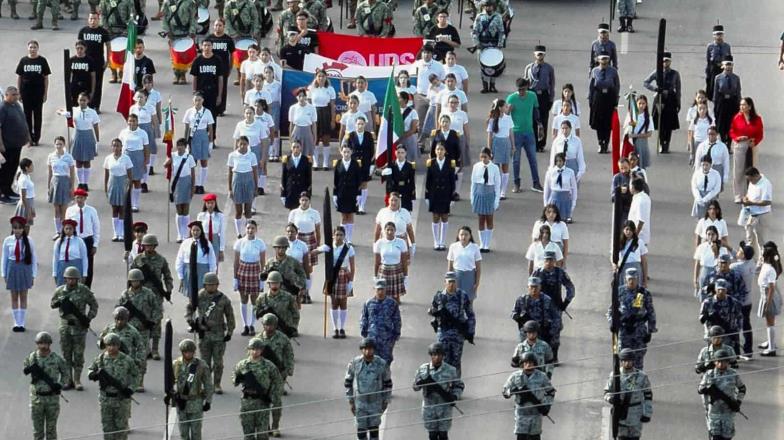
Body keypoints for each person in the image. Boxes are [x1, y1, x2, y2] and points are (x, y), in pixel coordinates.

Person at [185, 272, 235, 393]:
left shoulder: (223, 299)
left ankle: (217, 384)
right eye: (209, 285)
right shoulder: (199, 296)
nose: (211, 287)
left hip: (218, 335)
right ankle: (205, 384)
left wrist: (230, 331)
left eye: (213, 285)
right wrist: (190, 321)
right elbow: (190, 309)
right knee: (204, 362)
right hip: (204, 334)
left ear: (217, 285)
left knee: (218, 362)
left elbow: (230, 316)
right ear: (205, 285)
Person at [50, 266, 97, 389]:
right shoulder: (60, 291)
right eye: (69, 279)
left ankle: (77, 379)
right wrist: (58, 302)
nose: (71, 281)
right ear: (65, 279)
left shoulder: (84, 291)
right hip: (65, 325)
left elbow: (94, 305)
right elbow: (52, 304)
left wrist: (88, 318)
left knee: (78, 354)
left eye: (74, 279)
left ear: (78, 279)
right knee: (66, 354)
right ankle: (68, 379)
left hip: (79, 327)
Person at [129, 234, 174, 359]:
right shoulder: (138, 260)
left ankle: (154, 349)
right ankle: (144, 348)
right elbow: (131, 276)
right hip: (140, 294)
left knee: (156, 321)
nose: (149, 248)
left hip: (156, 295)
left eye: (151, 245)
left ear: (155, 246)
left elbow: (167, 276)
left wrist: (168, 289)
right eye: (146, 245)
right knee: (141, 320)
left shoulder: (161, 260)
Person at [88, 333, 139, 440]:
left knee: (121, 430)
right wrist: (94, 374)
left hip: (121, 400)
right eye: (108, 345)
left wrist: (131, 389)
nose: (111, 347)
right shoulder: (100, 359)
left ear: (118, 345)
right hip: (105, 399)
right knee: (107, 429)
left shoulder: (127, 360)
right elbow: (90, 370)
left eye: (114, 345)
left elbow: (136, 375)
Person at [232, 337, 283, 440]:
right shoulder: (242, 365)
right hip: (247, 403)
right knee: (248, 435)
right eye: (253, 349)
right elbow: (234, 377)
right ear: (249, 349)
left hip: (262, 403)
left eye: (258, 349)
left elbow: (277, 381)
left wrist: (273, 396)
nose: (255, 351)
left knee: (262, 435)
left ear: (262, 350)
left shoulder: (268, 365)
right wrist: (237, 379)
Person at [117, 269, 160, 388]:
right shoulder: (125, 295)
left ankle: (140, 381)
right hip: (128, 330)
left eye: (137, 281)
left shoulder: (148, 294)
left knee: (141, 355)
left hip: (143, 329)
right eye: (133, 281)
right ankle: (128, 379)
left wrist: (153, 321)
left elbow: (157, 309)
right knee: (127, 354)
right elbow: (117, 310)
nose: (135, 283)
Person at [607, 268, 657, 369]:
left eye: (634, 279)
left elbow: (651, 312)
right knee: (623, 359)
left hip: (638, 331)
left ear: (637, 279)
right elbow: (611, 311)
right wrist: (612, 323)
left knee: (638, 361)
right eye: (629, 279)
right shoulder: (619, 292)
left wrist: (650, 330)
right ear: (625, 279)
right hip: (624, 331)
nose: (632, 281)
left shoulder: (643, 293)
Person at [412, 342, 464, 440]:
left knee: (443, 435)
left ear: (443, 356)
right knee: (432, 435)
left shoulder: (450, 370)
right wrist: (420, 383)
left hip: (444, 407)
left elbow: (459, 385)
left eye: (440, 355)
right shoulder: (423, 369)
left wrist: (454, 396)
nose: (437, 357)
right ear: (431, 355)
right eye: (434, 355)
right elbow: (415, 387)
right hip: (429, 407)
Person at [428, 271, 475, 375]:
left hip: (458, 334)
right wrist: (436, 313)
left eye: (454, 282)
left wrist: (470, 331)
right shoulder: (439, 297)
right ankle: (443, 383)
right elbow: (432, 310)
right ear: (445, 282)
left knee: (456, 362)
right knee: (442, 361)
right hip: (443, 334)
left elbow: (470, 314)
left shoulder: (462, 296)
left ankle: (455, 385)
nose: (451, 284)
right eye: (449, 282)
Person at [23, 331, 68, 440]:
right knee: (37, 432)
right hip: (36, 399)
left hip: (52, 399)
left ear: (49, 344)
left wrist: (60, 385)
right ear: (37, 344)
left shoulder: (57, 359)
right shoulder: (31, 357)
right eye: (40, 343)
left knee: (51, 431)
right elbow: (25, 369)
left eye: (45, 343)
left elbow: (65, 374)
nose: (43, 346)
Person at [312, 226, 355, 337]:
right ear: (333, 235)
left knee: (343, 302)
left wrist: (351, 282)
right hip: (332, 275)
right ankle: (335, 328)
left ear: (344, 236)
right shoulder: (329, 246)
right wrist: (321, 249)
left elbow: (353, 266)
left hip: (344, 274)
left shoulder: (348, 248)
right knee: (334, 302)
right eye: (337, 234)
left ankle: (342, 328)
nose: (339, 237)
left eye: (341, 235)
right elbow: (312, 253)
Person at [345, 337, 392, 440]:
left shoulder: (381, 364)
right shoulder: (354, 363)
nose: (367, 351)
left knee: (374, 432)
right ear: (361, 349)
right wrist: (350, 401)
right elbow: (348, 382)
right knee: (361, 432)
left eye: (370, 348)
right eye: (365, 348)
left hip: (375, 402)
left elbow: (388, 383)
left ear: (374, 349)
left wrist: (386, 401)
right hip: (360, 403)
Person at [502, 351, 556, 440]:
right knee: (521, 437)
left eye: (531, 362)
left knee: (535, 437)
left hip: (536, 412)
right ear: (522, 364)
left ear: (534, 364)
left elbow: (551, 392)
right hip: (521, 413)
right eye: (526, 362)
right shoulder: (515, 376)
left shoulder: (542, 376)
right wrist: (512, 391)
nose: (528, 364)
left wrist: (546, 406)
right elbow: (505, 390)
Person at [532, 251, 574, 363]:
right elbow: (531, 289)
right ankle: (539, 358)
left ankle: (554, 357)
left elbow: (571, 288)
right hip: (539, 308)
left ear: (555, 261)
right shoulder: (537, 273)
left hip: (555, 307)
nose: (548, 262)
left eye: (551, 260)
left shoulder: (560, 273)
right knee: (539, 331)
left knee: (555, 332)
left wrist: (565, 303)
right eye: (546, 260)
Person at [603, 348, 653, 440]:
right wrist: (611, 398)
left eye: (629, 361)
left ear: (633, 361)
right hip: (621, 415)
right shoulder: (615, 375)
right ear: (621, 361)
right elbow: (606, 393)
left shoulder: (641, 376)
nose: (627, 363)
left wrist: (647, 413)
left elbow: (648, 396)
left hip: (636, 415)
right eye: (625, 361)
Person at [697, 348, 746, 439]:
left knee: (727, 437)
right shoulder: (709, 374)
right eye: (718, 361)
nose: (720, 364)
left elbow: (742, 388)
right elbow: (700, 389)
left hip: (728, 411)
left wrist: (738, 402)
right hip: (714, 412)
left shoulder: (733, 374)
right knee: (715, 436)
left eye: (723, 361)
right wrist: (708, 389)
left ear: (728, 362)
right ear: (714, 362)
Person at [258, 313, 294, 435]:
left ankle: (275, 426)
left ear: (275, 325)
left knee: (276, 401)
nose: (268, 327)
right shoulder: (257, 340)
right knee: (263, 402)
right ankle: (265, 426)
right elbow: (249, 357)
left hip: (278, 375)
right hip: (262, 375)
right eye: (266, 325)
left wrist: (289, 370)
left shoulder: (282, 338)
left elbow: (289, 354)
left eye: (271, 325)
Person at [171, 338, 213, 440]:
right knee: (183, 433)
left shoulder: (201, 365)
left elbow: (208, 384)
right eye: (185, 352)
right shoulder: (176, 364)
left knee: (196, 433)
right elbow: (170, 382)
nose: (188, 354)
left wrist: (208, 401)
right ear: (182, 352)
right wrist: (170, 395)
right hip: (181, 403)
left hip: (196, 402)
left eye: (190, 352)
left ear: (194, 352)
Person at [506, 78, 542, 193]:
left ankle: (536, 183)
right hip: (516, 133)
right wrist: (508, 110)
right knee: (516, 160)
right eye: (519, 90)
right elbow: (505, 115)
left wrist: (539, 124)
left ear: (527, 87)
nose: (521, 92)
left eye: (523, 89)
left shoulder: (532, 96)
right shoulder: (511, 98)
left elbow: (536, 110)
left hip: (529, 132)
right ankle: (516, 183)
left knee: (533, 158)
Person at [3, 216, 37, 332]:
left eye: (20, 228)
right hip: (12, 268)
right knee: (14, 296)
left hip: (24, 268)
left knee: (23, 295)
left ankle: (21, 322)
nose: (17, 230)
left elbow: (33, 258)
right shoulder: (8, 241)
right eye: (15, 228)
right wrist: (4, 273)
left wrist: (33, 274)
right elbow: (5, 258)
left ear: (23, 229)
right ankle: (16, 322)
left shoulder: (29, 241)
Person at [232, 220, 266, 335]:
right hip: (243, 270)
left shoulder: (260, 243)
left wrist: (262, 279)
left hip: (255, 271)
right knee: (244, 299)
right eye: (248, 228)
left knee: (254, 300)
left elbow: (262, 261)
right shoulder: (240, 242)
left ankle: (252, 324)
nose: (250, 230)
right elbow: (236, 261)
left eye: (252, 228)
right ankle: (245, 324)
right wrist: (235, 278)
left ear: (256, 230)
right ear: (245, 229)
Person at [644, 52, 681, 153]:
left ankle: (667, 143)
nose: (665, 63)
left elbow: (678, 89)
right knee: (660, 122)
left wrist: (678, 102)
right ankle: (661, 143)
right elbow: (646, 82)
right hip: (660, 98)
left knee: (669, 123)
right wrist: (655, 89)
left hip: (670, 99)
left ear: (670, 61)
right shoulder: (657, 72)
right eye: (664, 61)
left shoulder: (675, 74)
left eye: (667, 61)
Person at [15, 41, 50, 146]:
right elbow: (19, 77)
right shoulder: (24, 60)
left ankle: (37, 138)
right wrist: (19, 93)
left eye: (34, 47)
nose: (33, 49)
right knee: (27, 116)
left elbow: (46, 78)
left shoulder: (42, 61)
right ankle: (29, 138)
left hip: (38, 92)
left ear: (37, 48)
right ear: (28, 48)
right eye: (31, 47)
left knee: (38, 116)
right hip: (26, 93)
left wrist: (45, 93)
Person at [0, 87, 31, 203]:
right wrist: (1, 144)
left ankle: (8, 190)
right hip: (7, 145)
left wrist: (28, 136)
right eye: (13, 95)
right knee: (5, 170)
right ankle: (2, 193)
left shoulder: (17, 105)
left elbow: (23, 120)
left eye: (17, 94)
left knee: (13, 167)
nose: (16, 96)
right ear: (6, 95)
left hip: (17, 144)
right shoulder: (3, 108)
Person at [511, 276, 560, 348]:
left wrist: (551, 332)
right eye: (531, 287)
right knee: (523, 354)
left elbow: (556, 317)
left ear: (540, 287)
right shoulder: (522, 299)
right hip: (526, 333)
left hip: (542, 332)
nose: (534, 289)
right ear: (528, 287)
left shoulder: (547, 300)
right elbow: (513, 313)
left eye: (536, 287)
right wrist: (519, 318)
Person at [425, 143, 457, 250]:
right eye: (438, 149)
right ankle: (436, 241)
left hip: (445, 194)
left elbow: (452, 181)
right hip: (434, 194)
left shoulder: (450, 163)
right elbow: (428, 181)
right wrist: (427, 196)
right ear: (435, 151)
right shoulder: (431, 163)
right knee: (435, 217)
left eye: (442, 149)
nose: (439, 151)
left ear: (445, 151)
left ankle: (442, 242)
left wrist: (452, 197)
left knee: (444, 217)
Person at [182, 93, 215, 195]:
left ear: (203, 100)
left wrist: (210, 143)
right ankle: (193, 184)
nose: (197, 102)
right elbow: (187, 128)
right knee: (192, 162)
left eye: (199, 100)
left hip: (203, 137)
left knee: (204, 162)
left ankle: (201, 184)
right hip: (192, 137)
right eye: (196, 100)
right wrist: (185, 142)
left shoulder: (207, 112)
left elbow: (210, 128)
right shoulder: (189, 112)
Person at [524, 45, 555, 152]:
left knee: (543, 120)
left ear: (544, 55)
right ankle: (533, 143)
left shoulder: (549, 68)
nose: (539, 55)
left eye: (541, 53)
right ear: (534, 54)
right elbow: (525, 83)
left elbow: (552, 84)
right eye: (538, 53)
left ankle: (541, 144)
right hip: (532, 95)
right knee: (532, 120)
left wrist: (551, 99)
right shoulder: (529, 68)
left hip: (543, 96)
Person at [589, 49, 620, 154]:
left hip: (609, 97)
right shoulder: (595, 71)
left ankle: (606, 143)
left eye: (606, 58)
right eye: (602, 58)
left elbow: (617, 86)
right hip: (598, 97)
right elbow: (591, 87)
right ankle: (600, 142)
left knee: (608, 122)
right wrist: (590, 100)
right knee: (598, 122)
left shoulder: (613, 71)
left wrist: (616, 100)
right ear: (598, 59)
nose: (604, 60)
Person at [730, 97, 764, 195]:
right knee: (739, 170)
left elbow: (760, 134)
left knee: (751, 169)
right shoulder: (737, 118)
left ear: (749, 106)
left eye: (744, 105)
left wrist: (755, 141)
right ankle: (739, 194)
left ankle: (752, 192)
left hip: (752, 146)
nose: (742, 107)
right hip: (740, 145)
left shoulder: (757, 119)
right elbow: (732, 131)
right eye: (741, 105)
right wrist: (738, 138)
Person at [190, 40, 225, 135]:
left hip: (213, 93)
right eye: (204, 45)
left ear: (212, 47)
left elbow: (220, 79)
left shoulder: (217, 60)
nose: (206, 47)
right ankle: (201, 136)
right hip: (201, 93)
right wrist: (194, 92)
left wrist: (219, 95)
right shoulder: (197, 60)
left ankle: (212, 138)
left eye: (209, 45)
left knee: (212, 116)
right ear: (201, 47)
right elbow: (195, 77)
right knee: (200, 115)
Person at [165, 138, 197, 241]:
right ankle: (180, 234)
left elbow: (192, 174)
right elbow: (165, 165)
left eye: (182, 145)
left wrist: (193, 187)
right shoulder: (173, 156)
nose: (179, 147)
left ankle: (186, 233)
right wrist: (168, 161)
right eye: (178, 145)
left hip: (186, 182)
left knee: (186, 208)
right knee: (179, 208)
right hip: (177, 183)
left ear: (185, 146)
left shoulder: (189, 157)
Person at [700, 278, 743, 355]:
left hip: (728, 333)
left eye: (723, 289)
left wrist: (737, 330)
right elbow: (702, 318)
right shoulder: (707, 302)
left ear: (726, 290)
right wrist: (707, 329)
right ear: (715, 289)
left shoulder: (733, 302)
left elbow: (739, 317)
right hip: (712, 332)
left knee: (727, 354)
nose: (721, 292)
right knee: (712, 354)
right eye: (719, 289)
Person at [176, 221, 218, 299]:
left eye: (197, 230)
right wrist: (181, 276)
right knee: (191, 296)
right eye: (193, 230)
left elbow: (212, 261)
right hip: (189, 272)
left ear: (201, 231)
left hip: (202, 272)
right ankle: (192, 310)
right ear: (191, 231)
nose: (195, 232)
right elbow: (180, 260)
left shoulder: (207, 243)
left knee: (202, 296)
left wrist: (212, 275)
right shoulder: (186, 243)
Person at [414, 45, 445, 150]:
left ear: (432, 54)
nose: (426, 55)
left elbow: (443, 80)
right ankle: (420, 144)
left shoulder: (439, 66)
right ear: (421, 54)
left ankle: (434, 145)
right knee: (421, 121)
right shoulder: (416, 65)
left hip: (435, 98)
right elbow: (411, 78)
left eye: (428, 53)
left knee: (434, 121)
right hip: (420, 96)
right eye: (424, 52)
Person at [76, 14, 110, 110]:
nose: (93, 21)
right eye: (91, 18)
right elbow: (78, 46)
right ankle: (84, 104)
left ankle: (95, 106)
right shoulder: (83, 31)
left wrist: (108, 60)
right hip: (85, 62)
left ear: (98, 20)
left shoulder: (103, 32)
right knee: (86, 83)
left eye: (95, 19)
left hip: (98, 62)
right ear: (88, 19)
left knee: (98, 85)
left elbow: (108, 46)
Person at [471, 0, 505, 93]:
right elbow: (475, 31)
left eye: (490, 6)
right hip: (482, 44)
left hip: (494, 45)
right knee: (483, 66)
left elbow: (501, 31)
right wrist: (476, 43)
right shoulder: (479, 17)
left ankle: (493, 85)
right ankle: (485, 85)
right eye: (486, 6)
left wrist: (500, 44)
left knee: (494, 65)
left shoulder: (498, 17)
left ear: (493, 7)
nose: (488, 8)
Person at [118, 114, 150, 212]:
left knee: (136, 181)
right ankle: (127, 203)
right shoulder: (123, 132)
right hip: (127, 157)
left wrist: (146, 161)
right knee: (127, 182)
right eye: (130, 121)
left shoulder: (142, 133)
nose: (132, 123)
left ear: (137, 122)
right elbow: (119, 146)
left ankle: (135, 204)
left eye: (134, 121)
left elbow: (146, 148)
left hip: (138, 157)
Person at [730, 243, 756, 360]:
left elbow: (729, 265)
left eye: (740, 251)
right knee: (746, 325)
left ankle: (736, 352)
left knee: (735, 326)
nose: (738, 253)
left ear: (744, 256)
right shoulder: (751, 263)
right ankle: (748, 349)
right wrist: (731, 248)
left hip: (739, 300)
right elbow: (739, 256)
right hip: (749, 300)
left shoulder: (737, 267)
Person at [70, 93, 101, 191]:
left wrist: (97, 140)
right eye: (80, 100)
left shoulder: (92, 112)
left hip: (88, 135)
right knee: (78, 160)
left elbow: (95, 126)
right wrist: (65, 114)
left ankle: (86, 183)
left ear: (88, 101)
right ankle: (80, 182)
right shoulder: (74, 110)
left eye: (84, 100)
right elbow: (63, 113)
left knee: (87, 161)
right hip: (78, 135)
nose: (82, 102)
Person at [161, 0, 197, 83]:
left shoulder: (190, 2)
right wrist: (166, 30)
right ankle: (176, 74)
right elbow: (163, 17)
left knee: (184, 55)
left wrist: (192, 31)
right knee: (175, 55)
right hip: (172, 33)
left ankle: (183, 74)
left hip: (185, 32)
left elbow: (193, 17)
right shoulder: (167, 2)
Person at [46, 137, 75, 237]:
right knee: (56, 209)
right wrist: (48, 187)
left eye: (60, 144)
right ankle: (57, 231)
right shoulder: (51, 156)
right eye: (57, 144)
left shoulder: (68, 157)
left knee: (64, 209)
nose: (58, 146)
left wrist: (72, 187)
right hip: (55, 182)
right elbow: (50, 172)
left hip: (65, 182)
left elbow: (72, 172)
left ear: (64, 145)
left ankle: (64, 231)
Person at [740, 167, 772, 256]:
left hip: (762, 215)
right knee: (749, 239)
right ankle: (750, 259)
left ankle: (762, 261)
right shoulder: (752, 182)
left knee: (761, 241)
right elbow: (749, 194)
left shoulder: (766, 184)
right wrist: (745, 198)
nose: (750, 182)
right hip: (751, 214)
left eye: (750, 179)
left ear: (756, 176)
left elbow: (767, 201)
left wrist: (752, 203)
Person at [757, 243, 781, 357]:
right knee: (769, 322)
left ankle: (771, 348)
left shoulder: (770, 269)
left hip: (768, 297)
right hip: (765, 295)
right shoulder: (765, 265)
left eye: (763, 253)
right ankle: (770, 342)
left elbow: (771, 288)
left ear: (766, 256)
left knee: (770, 322)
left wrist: (768, 304)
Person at [486, 99, 514, 199]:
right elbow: (489, 135)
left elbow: (511, 133)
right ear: (500, 108)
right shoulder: (493, 119)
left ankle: (503, 191)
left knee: (505, 167)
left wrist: (513, 146)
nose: (507, 108)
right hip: (496, 143)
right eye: (505, 106)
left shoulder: (508, 118)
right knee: (496, 168)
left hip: (506, 143)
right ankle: (496, 189)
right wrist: (489, 149)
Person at [204, 19, 236, 102]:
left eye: (220, 25)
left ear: (224, 27)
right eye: (216, 25)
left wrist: (230, 68)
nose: (217, 27)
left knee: (222, 88)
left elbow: (232, 55)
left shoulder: (228, 39)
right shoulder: (209, 38)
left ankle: (221, 108)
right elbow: (205, 53)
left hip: (223, 67)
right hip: (211, 67)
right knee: (210, 87)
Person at [712, 56, 741, 145]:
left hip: (732, 102)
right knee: (721, 123)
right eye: (726, 65)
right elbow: (715, 93)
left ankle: (729, 142)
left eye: (730, 65)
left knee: (731, 124)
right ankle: (723, 140)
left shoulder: (736, 78)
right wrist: (715, 105)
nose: (728, 67)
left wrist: (739, 105)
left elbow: (738, 91)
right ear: (723, 66)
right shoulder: (718, 78)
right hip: (722, 102)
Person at [693, 226, 729, 297]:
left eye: (713, 234)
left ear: (716, 235)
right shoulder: (701, 247)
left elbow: (727, 264)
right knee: (704, 294)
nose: (710, 236)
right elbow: (697, 264)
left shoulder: (723, 249)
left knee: (716, 295)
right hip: (704, 272)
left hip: (718, 273)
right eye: (708, 234)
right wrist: (695, 279)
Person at [51, 220, 88, 286]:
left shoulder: (79, 241)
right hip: (62, 267)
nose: (68, 230)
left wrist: (84, 274)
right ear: (64, 229)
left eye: (70, 228)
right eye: (66, 228)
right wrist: (54, 273)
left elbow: (84, 258)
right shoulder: (59, 242)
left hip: (76, 267)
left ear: (74, 229)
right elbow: (55, 258)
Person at [543, 153, 577, 223]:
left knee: (563, 222)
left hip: (565, 200)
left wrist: (573, 202)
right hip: (554, 200)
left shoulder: (570, 172)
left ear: (564, 161)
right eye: (557, 161)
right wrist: (546, 204)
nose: (558, 163)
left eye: (560, 161)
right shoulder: (550, 172)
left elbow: (574, 188)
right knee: (553, 220)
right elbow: (547, 188)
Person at [550, 121, 585, 189]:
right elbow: (553, 157)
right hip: (560, 164)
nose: (565, 130)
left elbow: (580, 157)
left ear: (571, 129)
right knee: (560, 187)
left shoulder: (577, 141)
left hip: (572, 164)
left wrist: (581, 171)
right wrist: (552, 169)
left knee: (572, 188)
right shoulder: (557, 141)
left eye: (566, 128)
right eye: (563, 128)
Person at [614, 221, 648, 287]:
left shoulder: (639, 242)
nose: (628, 232)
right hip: (624, 269)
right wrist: (614, 266)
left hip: (636, 269)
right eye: (627, 229)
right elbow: (613, 256)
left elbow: (644, 262)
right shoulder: (619, 243)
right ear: (623, 230)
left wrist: (645, 280)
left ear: (634, 231)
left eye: (631, 229)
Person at [67, 41, 96, 108]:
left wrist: (92, 91)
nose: (79, 50)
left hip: (86, 87)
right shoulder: (72, 60)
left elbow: (93, 76)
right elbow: (68, 76)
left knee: (86, 108)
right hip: (74, 87)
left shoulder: (89, 60)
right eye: (78, 48)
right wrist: (69, 91)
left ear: (85, 48)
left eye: (81, 48)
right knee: (75, 108)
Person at [705, 24, 731, 99]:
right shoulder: (710, 46)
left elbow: (729, 60)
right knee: (713, 91)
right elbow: (708, 61)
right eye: (717, 34)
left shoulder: (727, 46)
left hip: (723, 69)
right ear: (714, 35)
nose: (719, 36)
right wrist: (708, 75)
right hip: (714, 69)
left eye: (720, 34)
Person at [628, 179, 651, 247]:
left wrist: (634, 236)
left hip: (639, 237)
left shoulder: (640, 201)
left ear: (633, 188)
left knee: (638, 256)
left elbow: (641, 221)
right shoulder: (643, 196)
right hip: (640, 236)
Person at [14, 159, 35, 225]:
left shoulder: (27, 176)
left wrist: (32, 208)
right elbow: (24, 197)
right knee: (25, 226)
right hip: (25, 205)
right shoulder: (23, 180)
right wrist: (28, 212)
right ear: (26, 168)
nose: (33, 167)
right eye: (31, 166)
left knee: (27, 225)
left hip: (29, 202)